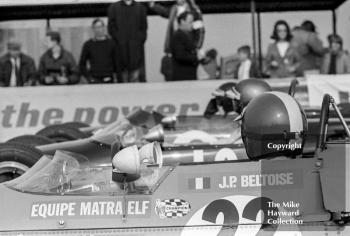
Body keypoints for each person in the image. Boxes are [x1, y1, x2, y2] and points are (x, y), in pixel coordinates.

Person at [108, 0, 148, 83]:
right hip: (120, 52)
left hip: (136, 52)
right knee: (122, 84)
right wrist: (119, 39)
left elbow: (144, 27)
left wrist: (139, 41)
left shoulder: (140, 8)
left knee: (136, 85)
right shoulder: (114, 8)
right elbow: (111, 28)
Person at [79, 18, 117, 84]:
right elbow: (82, 64)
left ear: (104, 28)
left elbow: (117, 63)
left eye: (100, 27)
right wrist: (88, 77)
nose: (98, 30)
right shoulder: (88, 45)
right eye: (95, 27)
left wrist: (117, 78)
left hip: (108, 79)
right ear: (93, 29)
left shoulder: (112, 44)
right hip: (94, 80)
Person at [170, 12, 204, 81]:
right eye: (190, 22)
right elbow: (180, 55)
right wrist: (196, 57)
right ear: (182, 21)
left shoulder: (188, 35)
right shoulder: (178, 36)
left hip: (189, 75)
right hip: (182, 76)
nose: (192, 24)